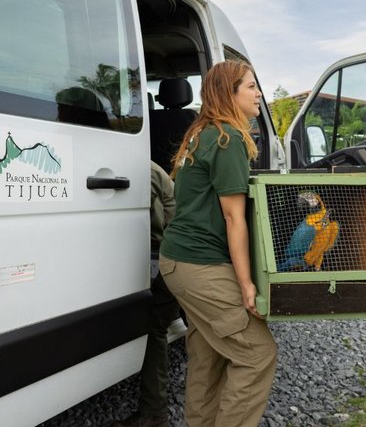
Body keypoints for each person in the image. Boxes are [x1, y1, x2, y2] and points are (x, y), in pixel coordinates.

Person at [157, 60, 277, 427]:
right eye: (251, 87)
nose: (259, 94)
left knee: (208, 356)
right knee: (258, 354)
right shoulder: (229, 138)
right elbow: (233, 217)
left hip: (177, 262)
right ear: (230, 93)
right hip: (199, 265)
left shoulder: (202, 132)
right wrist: (246, 285)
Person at [113, 161, 181, 427]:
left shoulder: (143, 169)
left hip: (173, 255)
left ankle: (154, 413)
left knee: (156, 325)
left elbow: (138, 220)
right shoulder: (149, 168)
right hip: (180, 253)